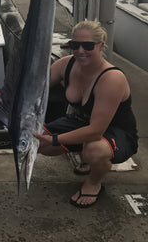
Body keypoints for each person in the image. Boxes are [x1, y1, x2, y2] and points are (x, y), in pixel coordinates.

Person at [35, 20, 138, 208]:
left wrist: (56, 139)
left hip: (116, 131)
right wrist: (8, 96)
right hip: (83, 123)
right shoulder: (65, 65)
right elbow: (35, 89)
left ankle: (93, 181)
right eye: (75, 45)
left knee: (94, 150)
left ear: (101, 46)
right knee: (39, 143)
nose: (80, 50)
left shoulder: (111, 78)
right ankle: (83, 152)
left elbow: (96, 131)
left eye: (88, 45)